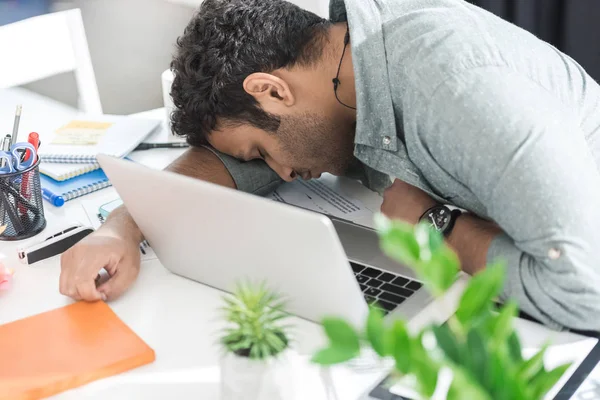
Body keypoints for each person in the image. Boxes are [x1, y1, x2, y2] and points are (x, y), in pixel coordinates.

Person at [60, 0, 600, 331]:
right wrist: (120, 227)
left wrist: (439, 226)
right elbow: (218, 163)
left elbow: (586, 293)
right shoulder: (341, 68)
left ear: (272, 90)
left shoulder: (453, 90)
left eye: (261, 151)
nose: (281, 172)